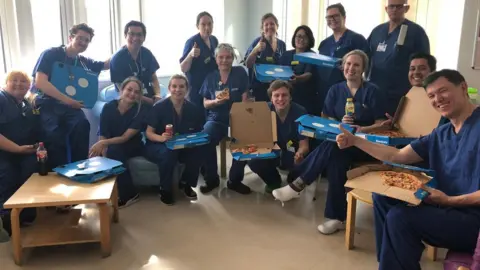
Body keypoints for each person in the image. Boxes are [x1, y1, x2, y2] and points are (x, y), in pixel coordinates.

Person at [335, 69, 480, 270]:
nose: (438, 99)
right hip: (448, 208)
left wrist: (448, 200)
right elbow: (397, 156)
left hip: (473, 220)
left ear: (463, 87)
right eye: (431, 96)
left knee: (401, 218)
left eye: (443, 91)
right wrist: (355, 141)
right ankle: (390, 263)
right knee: (383, 198)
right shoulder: (442, 133)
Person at [272, 50, 388, 235]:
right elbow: (325, 116)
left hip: (364, 145)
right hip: (341, 142)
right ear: (343, 67)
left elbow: (382, 123)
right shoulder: (335, 90)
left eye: (356, 65)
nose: (351, 68)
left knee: (336, 145)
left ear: (363, 68)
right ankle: (336, 218)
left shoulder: (372, 91)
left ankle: (298, 183)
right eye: (348, 64)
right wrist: (338, 124)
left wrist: (360, 130)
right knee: (336, 157)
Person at [31, 23, 110, 170]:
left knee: (82, 125)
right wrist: (68, 100)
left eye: (87, 40)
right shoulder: (51, 54)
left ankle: (79, 169)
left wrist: (128, 45)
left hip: (70, 107)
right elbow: (40, 82)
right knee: (54, 134)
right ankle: (58, 172)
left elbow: (106, 64)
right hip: (47, 104)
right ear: (70, 37)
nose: (83, 43)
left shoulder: (82, 62)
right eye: (80, 38)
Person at [228, 80, 309, 194]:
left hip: (291, 152)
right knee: (247, 152)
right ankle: (271, 181)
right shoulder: (262, 109)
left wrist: (300, 153)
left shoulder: (300, 112)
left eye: (284, 95)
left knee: (295, 175)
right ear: (271, 98)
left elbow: (304, 145)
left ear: (290, 97)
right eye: (276, 95)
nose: (280, 99)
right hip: (269, 149)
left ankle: (292, 175)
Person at [145, 74, 205, 205]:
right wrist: (161, 138)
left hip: (182, 144)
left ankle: (186, 183)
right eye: (174, 86)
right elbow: (149, 133)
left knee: (199, 150)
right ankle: (165, 189)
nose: (178, 90)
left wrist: (196, 140)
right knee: (168, 153)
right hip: (158, 144)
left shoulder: (192, 109)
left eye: (181, 86)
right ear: (169, 88)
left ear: (187, 89)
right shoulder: (159, 107)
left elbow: (198, 131)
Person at [89, 77, 148, 208]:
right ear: (122, 90)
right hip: (112, 144)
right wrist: (101, 150)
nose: (132, 94)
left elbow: (125, 138)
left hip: (133, 145)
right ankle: (108, 191)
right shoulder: (108, 107)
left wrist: (103, 145)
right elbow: (103, 133)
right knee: (101, 155)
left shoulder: (140, 111)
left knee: (114, 151)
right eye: (129, 89)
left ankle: (130, 194)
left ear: (139, 95)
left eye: (137, 92)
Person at [199, 43, 249, 194]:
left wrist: (242, 113)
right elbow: (205, 104)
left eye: (228, 57)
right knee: (205, 138)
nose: (224, 60)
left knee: (246, 140)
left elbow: (245, 99)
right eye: (221, 57)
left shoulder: (240, 73)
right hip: (216, 118)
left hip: (237, 117)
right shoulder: (210, 77)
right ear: (216, 59)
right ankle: (211, 179)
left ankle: (234, 180)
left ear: (233, 58)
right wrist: (215, 102)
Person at [367, 0, 430, 115]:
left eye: (399, 6)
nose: (394, 10)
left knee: (394, 129)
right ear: (386, 9)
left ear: (406, 8)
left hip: (400, 93)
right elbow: (365, 56)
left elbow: (425, 64)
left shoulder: (416, 32)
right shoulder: (377, 31)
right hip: (375, 90)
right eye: (391, 6)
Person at [0, 71, 40, 235]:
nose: (19, 84)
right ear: (6, 83)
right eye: (14, 80)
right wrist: (17, 149)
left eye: (23, 81)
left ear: (29, 86)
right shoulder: (2, 99)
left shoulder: (27, 103)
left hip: (24, 152)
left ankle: (26, 216)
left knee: (32, 173)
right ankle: (6, 222)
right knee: (7, 175)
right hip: (4, 152)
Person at [318, 3, 368, 112]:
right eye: (329, 17)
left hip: (348, 90)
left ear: (344, 17)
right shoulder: (324, 43)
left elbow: (365, 63)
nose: (332, 19)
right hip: (325, 89)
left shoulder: (356, 39)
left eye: (336, 16)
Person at [110, 21, 161, 105]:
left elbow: (153, 78)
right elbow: (123, 90)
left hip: (148, 95)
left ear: (144, 38)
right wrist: (150, 102)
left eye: (139, 35)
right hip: (128, 99)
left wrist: (158, 95)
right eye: (131, 34)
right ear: (125, 36)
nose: (135, 38)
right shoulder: (117, 59)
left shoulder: (147, 54)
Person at [180, 12, 219, 112]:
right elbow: (183, 68)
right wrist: (190, 55)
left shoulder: (214, 40)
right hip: (196, 90)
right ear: (198, 26)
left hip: (210, 88)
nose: (207, 27)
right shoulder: (192, 42)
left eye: (210, 24)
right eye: (203, 24)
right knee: (197, 119)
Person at [244, 13, 286, 102]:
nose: (269, 26)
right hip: (260, 88)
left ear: (277, 26)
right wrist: (255, 50)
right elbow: (248, 64)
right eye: (266, 25)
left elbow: (283, 65)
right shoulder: (257, 42)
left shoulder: (282, 44)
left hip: (277, 88)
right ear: (262, 29)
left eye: (272, 24)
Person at [279, 25, 316, 114]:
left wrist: (297, 78)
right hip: (285, 96)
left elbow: (309, 74)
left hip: (304, 97)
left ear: (309, 39)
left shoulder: (313, 55)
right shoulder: (286, 55)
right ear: (294, 38)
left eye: (305, 37)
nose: (301, 39)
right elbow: (279, 71)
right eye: (299, 36)